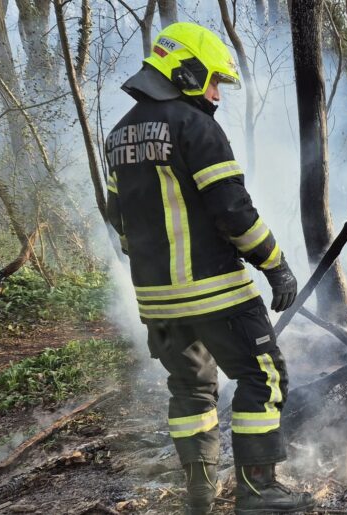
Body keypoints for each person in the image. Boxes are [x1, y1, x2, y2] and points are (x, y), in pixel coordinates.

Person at [104, 22, 313, 515]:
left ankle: (199, 497)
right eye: (213, 80)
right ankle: (259, 493)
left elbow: (119, 220)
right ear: (187, 70)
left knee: (190, 389)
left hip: (157, 300)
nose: (217, 94)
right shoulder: (196, 127)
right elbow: (233, 210)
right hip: (217, 292)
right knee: (264, 376)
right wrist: (275, 265)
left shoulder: (118, 136)